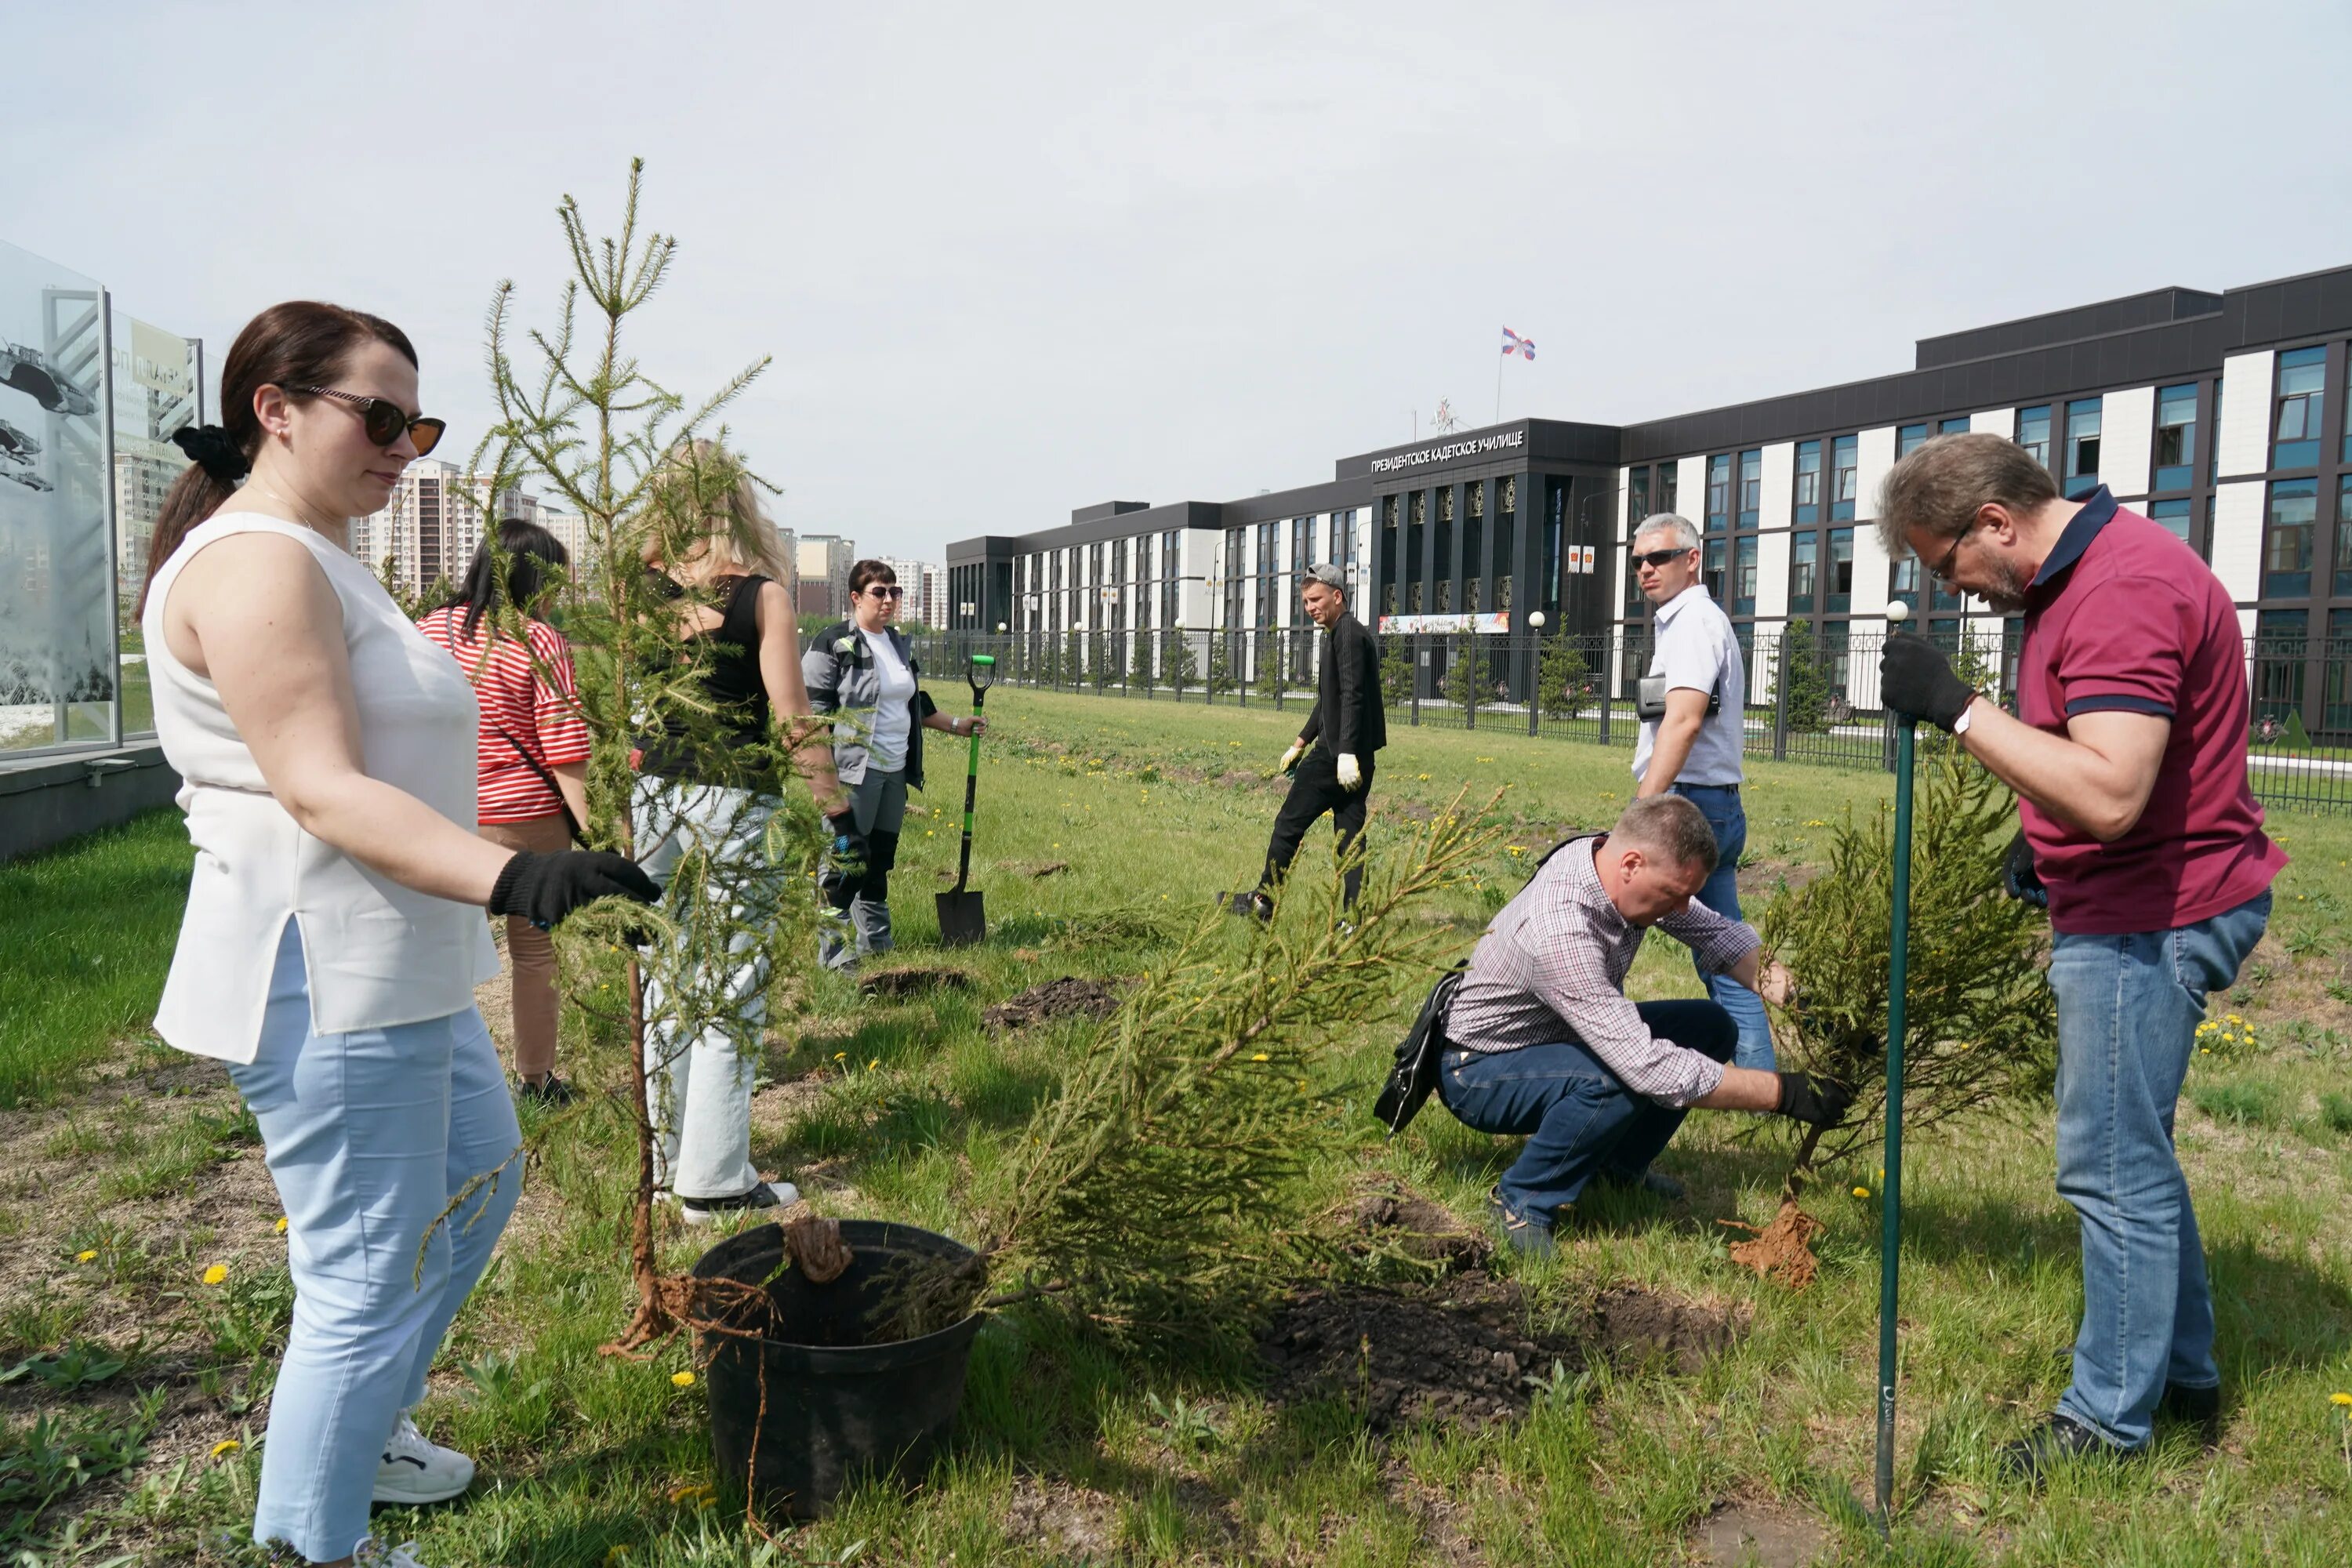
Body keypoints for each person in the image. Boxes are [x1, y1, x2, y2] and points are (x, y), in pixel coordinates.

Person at [140, 302, 655, 1568]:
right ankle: (313, 1542)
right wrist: (518, 881)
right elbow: (320, 785)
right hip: (323, 966)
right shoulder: (256, 560)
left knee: (480, 1184)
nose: (404, 447)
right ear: (276, 408)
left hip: (396, 961)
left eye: (417, 424)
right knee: (363, 1273)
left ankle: (361, 1437)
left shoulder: (323, 554)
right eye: (379, 418)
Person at [1876, 433, 2285, 1478]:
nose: (1954, 591)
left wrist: (1961, 710)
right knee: (2134, 1150)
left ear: (1996, 524)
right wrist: (2039, 830)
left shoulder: (2117, 589)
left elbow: (2110, 791)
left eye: (1943, 565)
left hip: (2152, 912)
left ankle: (2107, 1418)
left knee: (2107, 1167)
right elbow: (2100, 755)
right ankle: (2185, 1375)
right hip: (2132, 889)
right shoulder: (2085, 574)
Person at [1436, 795, 1850, 1253]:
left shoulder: (1611, 865)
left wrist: (1809, 1007)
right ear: (1632, 864)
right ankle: (1523, 1199)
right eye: (1674, 896)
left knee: (1711, 1026)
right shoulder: (1560, 927)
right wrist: (1785, 1094)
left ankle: (1618, 1169)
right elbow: (1645, 1065)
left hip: (1556, 1036)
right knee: (1615, 1078)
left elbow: (1718, 934)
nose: (1679, 910)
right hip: (1480, 1069)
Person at [635, 441, 843, 1224]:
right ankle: (715, 1179)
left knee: (663, 981)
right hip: (729, 800)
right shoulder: (763, 596)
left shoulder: (639, 592)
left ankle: (663, 1165)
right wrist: (837, 814)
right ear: (739, 501)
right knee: (730, 985)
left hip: (651, 801)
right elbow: (792, 717)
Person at [416, 520, 592, 1105]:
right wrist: (591, 827)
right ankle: (536, 1079)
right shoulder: (539, 639)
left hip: (445, 814)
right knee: (534, 953)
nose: (555, 597)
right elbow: (564, 744)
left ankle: (436, 1076)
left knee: (441, 947)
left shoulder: (426, 631)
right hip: (530, 820)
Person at [1628, 513, 1771, 1071]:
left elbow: (1683, 723)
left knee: (1719, 953)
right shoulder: (1687, 621)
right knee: (1723, 947)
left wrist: (1642, 811)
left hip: (1690, 805)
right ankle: (1755, 1073)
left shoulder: (1692, 624)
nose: (1645, 569)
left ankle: (1757, 1084)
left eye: (1658, 557)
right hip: (1711, 802)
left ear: (1692, 559)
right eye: (1638, 560)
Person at [801, 559, 986, 969]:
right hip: (853, 772)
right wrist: (822, 777)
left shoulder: (898, 643)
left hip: (894, 772)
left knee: (880, 858)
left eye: (894, 592)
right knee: (846, 856)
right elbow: (812, 714)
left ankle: (877, 944)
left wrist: (957, 724)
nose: (889, 600)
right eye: (879, 592)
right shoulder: (833, 643)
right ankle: (832, 952)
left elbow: (914, 702)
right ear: (855, 597)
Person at [1244, 562, 1385, 920]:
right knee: (1350, 837)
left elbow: (1353, 695)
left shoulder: (1348, 635)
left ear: (1337, 597)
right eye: (1306, 602)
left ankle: (1263, 901)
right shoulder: (1340, 633)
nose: (1310, 608)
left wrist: (1344, 753)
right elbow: (1330, 699)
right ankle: (1354, 919)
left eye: (1316, 599)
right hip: (1352, 758)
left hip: (1337, 757)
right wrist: (1300, 741)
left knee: (1289, 824)